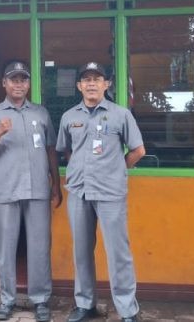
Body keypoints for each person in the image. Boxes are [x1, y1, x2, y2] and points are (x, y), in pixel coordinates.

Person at [56, 62, 146, 322]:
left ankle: (127, 310)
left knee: (118, 253)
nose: (92, 84)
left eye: (97, 79)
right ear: (79, 86)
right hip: (79, 191)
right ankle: (85, 304)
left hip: (110, 193)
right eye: (86, 79)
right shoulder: (69, 117)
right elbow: (66, 150)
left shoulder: (121, 114)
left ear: (107, 84)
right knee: (82, 252)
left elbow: (138, 150)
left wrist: (117, 169)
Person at [0, 61, 62, 322]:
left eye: (23, 79)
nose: (18, 84)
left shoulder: (41, 113)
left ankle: (41, 299)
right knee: (5, 248)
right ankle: (7, 300)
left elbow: (50, 149)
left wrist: (56, 184)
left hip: (38, 189)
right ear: (4, 83)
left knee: (39, 247)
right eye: (13, 79)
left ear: (28, 84)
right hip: (6, 189)